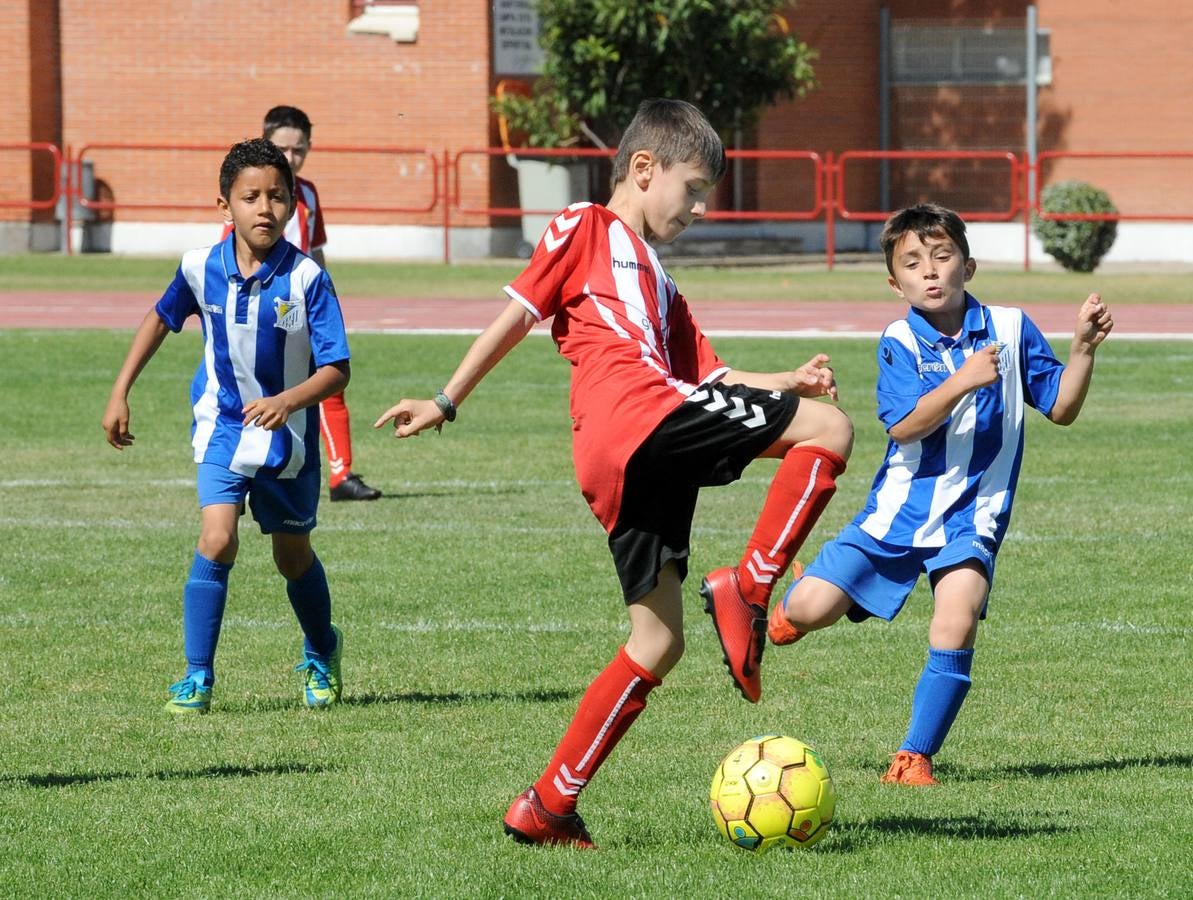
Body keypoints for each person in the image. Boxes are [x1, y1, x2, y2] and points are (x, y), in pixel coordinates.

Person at [373, 99, 853, 847]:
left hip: (624, 450)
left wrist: (784, 382)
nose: (696, 209)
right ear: (641, 168)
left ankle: (546, 806)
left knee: (657, 641)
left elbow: (713, 376)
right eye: (691, 190)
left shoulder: (662, 287)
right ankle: (748, 589)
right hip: (635, 417)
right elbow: (517, 314)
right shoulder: (583, 226)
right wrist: (445, 398)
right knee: (830, 432)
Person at [768, 203, 1114, 786]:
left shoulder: (1009, 327)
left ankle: (913, 756)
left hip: (974, 516)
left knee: (956, 619)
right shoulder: (899, 338)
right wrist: (962, 381)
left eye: (942, 257)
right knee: (809, 610)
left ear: (968, 267)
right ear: (894, 282)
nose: (929, 272)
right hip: (898, 511)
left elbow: (1060, 408)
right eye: (912, 263)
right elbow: (902, 425)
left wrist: (1082, 348)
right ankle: (794, 603)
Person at [103, 138, 350, 714]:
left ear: (292, 205)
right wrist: (121, 391)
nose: (265, 208)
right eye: (251, 197)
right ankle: (197, 677)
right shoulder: (198, 267)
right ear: (224, 205)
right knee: (216, 538)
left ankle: (321, 648)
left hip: (286, 441)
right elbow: (159, 319)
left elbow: (337, 369)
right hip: (221, 428)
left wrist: (289, 401)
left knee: (292, 557)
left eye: (277, 197)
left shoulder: (308, 279)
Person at [222, 105, 381, 502]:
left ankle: (341, 474)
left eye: (300, 150)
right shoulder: (248, 195)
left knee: (328, 379)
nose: (292, 158)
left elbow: (316, 252)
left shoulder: (307, 193)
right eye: (284, 149)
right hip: (263, 301)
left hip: (300, 301)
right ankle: (240, 468)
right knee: (261, 384)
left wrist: (326, 299)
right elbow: (230, 250)